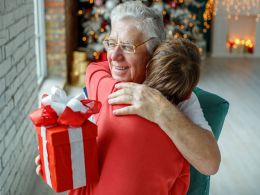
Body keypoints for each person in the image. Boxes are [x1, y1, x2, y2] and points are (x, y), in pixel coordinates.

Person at [35, 0, 220, 192]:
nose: (113, 56)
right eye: (111, 43)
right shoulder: (102, 79)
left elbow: (210, 163)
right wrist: (60, 162)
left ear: (154, 53)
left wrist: (160, 109)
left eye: (128, 46)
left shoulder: (179, 96)